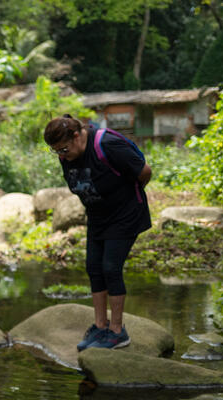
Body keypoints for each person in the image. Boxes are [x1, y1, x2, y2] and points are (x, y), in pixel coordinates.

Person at [43, 114, 152, 350]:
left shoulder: (107, 145)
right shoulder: (67, 155)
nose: (61, 155)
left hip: (125, 214)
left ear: (77, 135)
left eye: (63, 149)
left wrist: (125, 199)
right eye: (56, 151)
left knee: (111, 267)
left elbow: (144, 171)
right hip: (98, 217)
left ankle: (117, 331)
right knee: (93, 267)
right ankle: (100, 326)